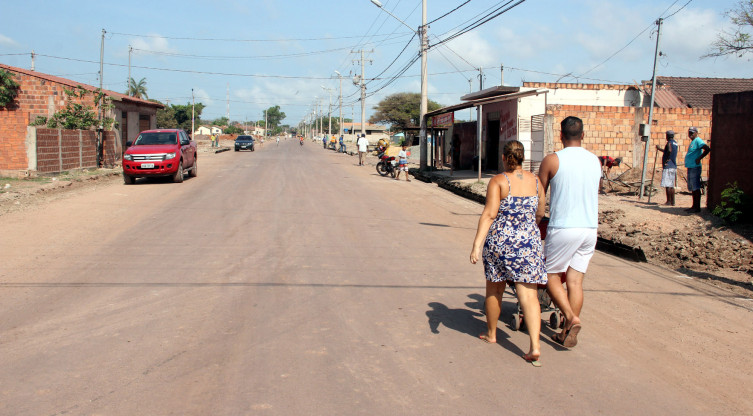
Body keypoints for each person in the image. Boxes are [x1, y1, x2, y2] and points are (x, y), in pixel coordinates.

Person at [471, 140, 547, 366]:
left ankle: (492, 334)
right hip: (529, 243)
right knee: (529, 295)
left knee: (495, 288)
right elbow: (541, 211)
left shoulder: (498, 181)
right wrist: (528, 230)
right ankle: (535, 346)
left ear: (504, 157)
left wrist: (476, 244)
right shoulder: (536, 181)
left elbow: (489, 215)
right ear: (522, 157)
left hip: (500, 242)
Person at [538, 116, 601, 348]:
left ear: (561, 136)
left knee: (550, 276)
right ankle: (565, 332)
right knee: (575, 281)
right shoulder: (595, 161)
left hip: (564, 227)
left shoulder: (552, 160)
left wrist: (535, 221)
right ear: (582, 135)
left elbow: (540, 195)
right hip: (589, 229)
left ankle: (572, 318)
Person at [684, 127, 710, 213]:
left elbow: (707, 149)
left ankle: (697, 207)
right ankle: (694, 206)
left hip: (695, 167)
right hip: (691, 167)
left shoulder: (698, 140)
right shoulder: (693, 142)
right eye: (689, 133)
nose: (690, 134)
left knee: (696, 187)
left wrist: (699, 158)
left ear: (696, 133)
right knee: (693, 188)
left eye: (692, 133)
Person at [656, 130, 679, 206]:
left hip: (668, 166)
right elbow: (668, 151)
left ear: (667, 136)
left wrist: (666, 160)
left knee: (667, 185)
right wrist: (659, 149)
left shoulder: (669, 143)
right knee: (671, 185)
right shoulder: (675, 143)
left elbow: (669, 151)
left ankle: (668, 201)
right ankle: (673, 202)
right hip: (673, 166)